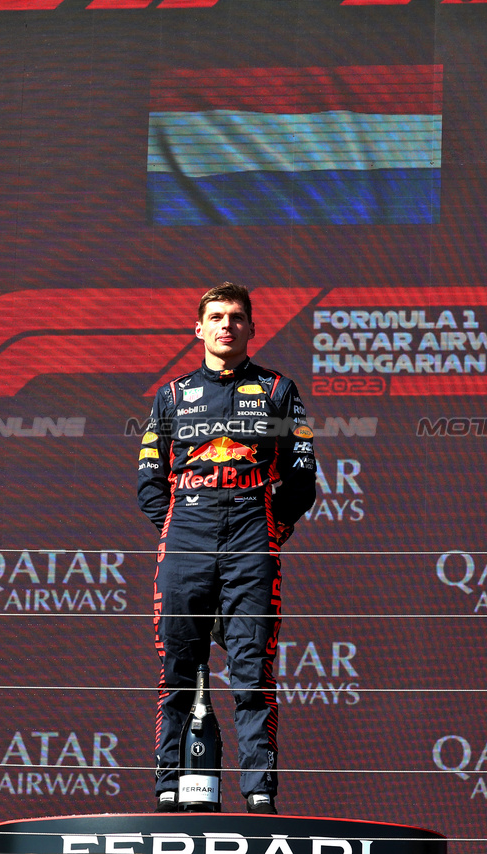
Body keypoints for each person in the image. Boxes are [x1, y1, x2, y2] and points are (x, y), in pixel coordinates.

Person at [137, 282, 316, 814]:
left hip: (250, 538)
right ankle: (169, 790)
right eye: (216, 316)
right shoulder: (170, 396)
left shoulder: (280, 391)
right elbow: (149, 483)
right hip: (186, 539)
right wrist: (175, 529)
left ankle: (259, 796)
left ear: (252, 329)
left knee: (252, 672)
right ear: (198, 328)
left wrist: (266, 533)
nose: (226, 325)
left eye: (237, 317)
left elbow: (302, 480)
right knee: (176, 668)